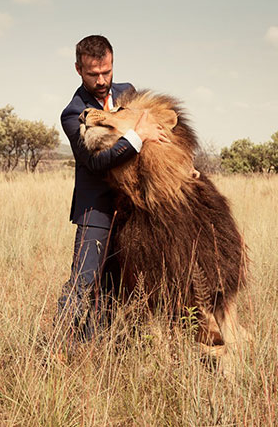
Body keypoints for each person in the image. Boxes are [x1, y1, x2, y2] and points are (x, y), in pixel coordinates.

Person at [56, 35, 168, 343]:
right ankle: (60, 348)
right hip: (97, 208)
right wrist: (137, 136)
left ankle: (115, 345)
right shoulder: (72, 113)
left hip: (134, 205)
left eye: (107, 71)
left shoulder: (128, 93)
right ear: (78, 69)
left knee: (122, 281)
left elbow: (160, 132)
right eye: (93, 74)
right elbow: (96, 163)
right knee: (84, 282)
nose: (102, 80)